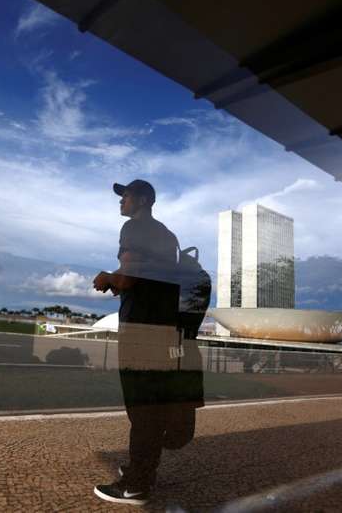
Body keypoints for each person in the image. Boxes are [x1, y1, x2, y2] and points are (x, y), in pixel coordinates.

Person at [92, 179, 202, 505]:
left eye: (124, 196)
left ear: (141, 199)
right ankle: (144, 474)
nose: (120, 202)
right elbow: (148, 277)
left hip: (142, 331)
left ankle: (136, 484)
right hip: (165, 328)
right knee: (150, 408)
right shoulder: (168, 236)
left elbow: (129, 278)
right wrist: (120, 280)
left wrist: (108, 278)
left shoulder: (134, 229)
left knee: (142, 410)